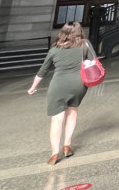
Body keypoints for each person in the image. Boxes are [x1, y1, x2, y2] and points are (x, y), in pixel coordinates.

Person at [27, 21, 96, 165]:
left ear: (62, 33)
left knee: (56, 119)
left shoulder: (54, 49)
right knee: (72, 112)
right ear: (79, 31)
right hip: (79, 84)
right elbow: (93, 60)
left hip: (58, 85)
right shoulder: (84, 44)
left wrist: (33, 87)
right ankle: (67, 146)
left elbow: (43, 71)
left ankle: (54, 153)